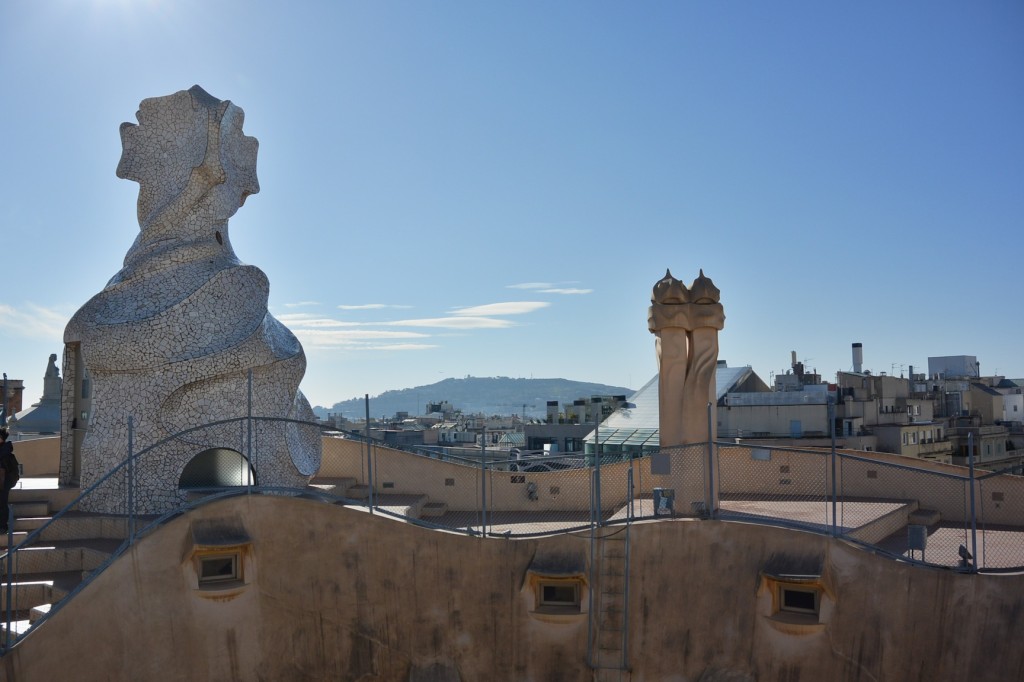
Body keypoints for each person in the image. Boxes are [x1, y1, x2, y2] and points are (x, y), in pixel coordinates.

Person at [0, 428, 14, 533]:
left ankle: (3, 526)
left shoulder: (4, 451)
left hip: (4, 482)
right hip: (4, 482)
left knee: (2, 503)